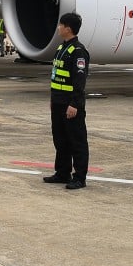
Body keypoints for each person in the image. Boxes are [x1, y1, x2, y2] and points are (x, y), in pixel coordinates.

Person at [42, 12, 90, 191]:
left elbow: (79, 81)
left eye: (60, 25)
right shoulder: (61, 49)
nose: (58, 28)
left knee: (76, 141)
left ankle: (79, 177)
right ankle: (62, 172)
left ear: (68, 28)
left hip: (71, 104)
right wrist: (53, 99)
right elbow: (57, 77)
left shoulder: (78, 52)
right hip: (58, 102)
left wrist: (74, 104)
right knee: (60, 140)